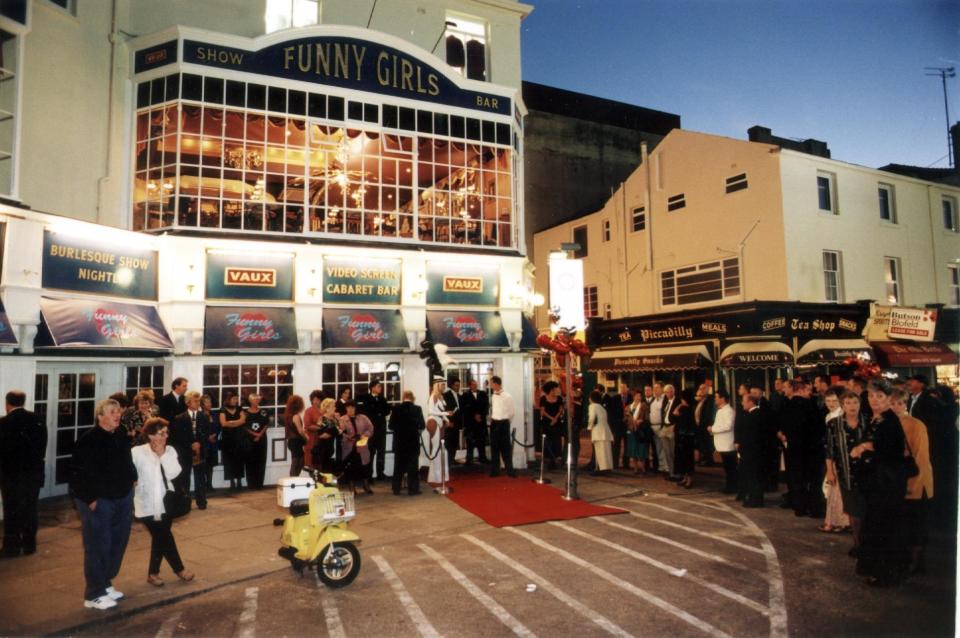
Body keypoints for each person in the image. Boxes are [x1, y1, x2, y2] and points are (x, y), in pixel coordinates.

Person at [69, 398, 137, 611]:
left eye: (118, 411)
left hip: (122, 497)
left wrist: (133, 477)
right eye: (111, 412)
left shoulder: (120, 434)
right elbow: (76, 474)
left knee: (118, 542)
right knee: (98, 546)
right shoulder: (89, 440)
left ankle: (105, 583)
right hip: (99, 501)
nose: (117, 415)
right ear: (100, 416)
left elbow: (127, 460)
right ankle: (93, 594)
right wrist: (90, 499)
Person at [854, 380, 907, 587]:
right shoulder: (877, 419)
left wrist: (865, 449)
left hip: (886, 485)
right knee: (877, 526)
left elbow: (889, 455)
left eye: (879, 397)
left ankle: (886, 574)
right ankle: (879, 571)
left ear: (888, 399)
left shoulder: (889, 421)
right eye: (871, 396)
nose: (874, 400)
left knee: (884, 528)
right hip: (877, 484)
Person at [131, 418, 194, 587]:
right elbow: (130, 472)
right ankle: (176, 570)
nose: (165, 436)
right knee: (163, 536)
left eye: (166, 433)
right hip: (145, 502)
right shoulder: (137, 452)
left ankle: (156, 573)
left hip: (167, 501)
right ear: (150, 435)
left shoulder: (170, 450)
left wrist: (162, 455)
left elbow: (174, 473)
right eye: (161, 433)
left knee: (161, 536)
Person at [890, 388, 934, 577]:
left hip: (915, 484)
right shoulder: (889, 423)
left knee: (916, 526)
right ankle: (908, 561)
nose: (896, 407)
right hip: (898, 483)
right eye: (892, 403)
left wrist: (913, 485)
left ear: (905, 404)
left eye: (899, 403)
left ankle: (916, 563)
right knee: (904, 526)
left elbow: (921, 458)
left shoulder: (916, 425)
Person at [0, 390, 47, 557]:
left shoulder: (3, 423)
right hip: (33, 472)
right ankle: (29, 545)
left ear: (7, 404)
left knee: (11, 509)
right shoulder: (38, 420)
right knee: (30, 508)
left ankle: (11, 547)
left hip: (11, 475)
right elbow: (42, 446)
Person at [825, 391, 872, 559]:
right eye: (848, 403)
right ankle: (858, 543)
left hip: (869, 474)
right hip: (846, 473)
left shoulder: (869, 420)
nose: (852, 406)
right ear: (842, 405)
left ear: (860, 404)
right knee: (854, 512)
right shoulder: (833, 424)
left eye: (855, 403)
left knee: (868, 511)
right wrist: (830, 471)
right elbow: (829, 450)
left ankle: (868, 545)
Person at [170, 391, 210, 510]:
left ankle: (201, 501)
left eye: (199, 401)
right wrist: (190, 444)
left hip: (200, 450)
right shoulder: (179, 418)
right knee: (185, 477)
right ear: (188, 403)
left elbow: (206, 432)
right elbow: (178, 436)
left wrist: (199, 443)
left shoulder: (204, 416)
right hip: (185, 451)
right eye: (195, 401)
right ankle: (185, 502)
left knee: (200, 477)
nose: (198, 403)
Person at [819, 388, 850, 533]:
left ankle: (841, 522)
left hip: (839, 459)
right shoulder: (829, 415)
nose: (830, 404)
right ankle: (834, 521)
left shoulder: (840, 416)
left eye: (834, 401)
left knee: (837, 491)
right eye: (828, 401)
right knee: (832, 490)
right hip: (831, 458)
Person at [389, 390, 425, 495]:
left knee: (398, 467)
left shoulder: (396, 409)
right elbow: (422, 425)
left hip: (399, 443)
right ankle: (413, 489)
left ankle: (396, 488)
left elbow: (390, 426)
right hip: (412, 443)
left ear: (403, 397)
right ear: (412, 398)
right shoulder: (417, 409)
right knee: (413, 467)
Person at [356, 379, 391, 481]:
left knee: (381, 452)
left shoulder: (382, 398)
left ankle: (380, 473)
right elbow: (366, 412)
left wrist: (379, 412)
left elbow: (387, 410)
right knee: (370, 453)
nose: (380, 388)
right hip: (370, 430)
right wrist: (378, 412)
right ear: (372, 388)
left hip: (381, 429)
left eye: (380, 386)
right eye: (378, 386)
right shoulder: (366, 398)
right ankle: (369, 475)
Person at [735, 393, 765, 508]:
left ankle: (755, 499)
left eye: (744, 401)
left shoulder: (754, 415)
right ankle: (754, 498)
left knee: (753, 476)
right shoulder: (755, 414)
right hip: (754, 452)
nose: (742, 403)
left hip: (752, 452)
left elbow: (750, 436)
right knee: (754, 476)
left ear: (751, 402)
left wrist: (742, 448)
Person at [339, 401, 374, 494]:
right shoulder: (342, 419)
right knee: (350, 467)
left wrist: (365, 435)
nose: (350, 409)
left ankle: (366, 486)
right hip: (349, 446)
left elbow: (370, 428)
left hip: (362, 445)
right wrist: (348, 437)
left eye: (352, 407)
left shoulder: (363, 417)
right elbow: (340, 433)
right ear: (345, 408)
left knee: (364, 466)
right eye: (348, 407)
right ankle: (352, 488)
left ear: (355, 408)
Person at [708, 390, 737, 494]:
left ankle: (732, 487)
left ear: (723, 398)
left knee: (730, 468)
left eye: (717, 397)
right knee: (727, 467)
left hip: (727, 444)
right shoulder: (720, 410)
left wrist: (713, 429)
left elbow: (728, 426)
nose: (715, 399)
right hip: (722, 444)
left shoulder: (729, 411)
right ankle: (730, 486)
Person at [489, 376, 517, 478]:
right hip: (494, 423)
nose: (490, 385)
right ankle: (495, 471)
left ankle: (510, 470)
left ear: (496, 384)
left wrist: (504, 421)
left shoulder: (507, 396)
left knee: (506, 448)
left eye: (491, 383)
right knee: (494, 448)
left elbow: (511, 412)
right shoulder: (493, 396)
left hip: (503, 424)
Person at [243, 393, 271, 490]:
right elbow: (244, 426)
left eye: (258, 400)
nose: (256, 402)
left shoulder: (263, 412)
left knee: (261, 460)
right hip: (249, 439)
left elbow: (266, 424)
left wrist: (260, 434)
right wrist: (255, 435)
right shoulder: (245, 413)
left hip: (262, 439)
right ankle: (251, 484)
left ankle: (259, 484)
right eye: (254, 400)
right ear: (250, 401)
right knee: (250, 461)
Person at [218, 392, 247, 488]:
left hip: (239, 437)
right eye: (234, 398)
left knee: (239, 459)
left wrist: (231, 422)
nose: (236, 400)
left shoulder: (239, 408)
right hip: (228, 438)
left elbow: (243, 420)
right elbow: (223, 423)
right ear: (229, 399)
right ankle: (231, 481)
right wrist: (236, 423)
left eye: (236, 398)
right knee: (229, 460)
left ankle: (239, 480)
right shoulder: (222, 409)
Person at [672, 388, 698, 488]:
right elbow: (674, 416)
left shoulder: (690, 409)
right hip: (681, 436)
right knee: (682, 459)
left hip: (687, 437)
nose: (681, 401)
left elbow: (688, 423)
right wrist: (679, 406)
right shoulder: (683, 408)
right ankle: (684, 478)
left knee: (688, 459)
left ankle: (689, 480)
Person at [460, 378, 489, 464]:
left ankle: (483, 458)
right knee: (470, 442)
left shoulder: (483, 394)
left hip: (481, 422)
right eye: (473, 385)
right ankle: (469, 459)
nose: (475, 386)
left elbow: (487, 406)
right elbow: (463, 409)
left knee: (482, 441)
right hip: (470, 423)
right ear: (469, 386)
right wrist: (474, 415)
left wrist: (480, 415)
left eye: (476, 384)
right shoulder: (465, 395)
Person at [587, 390, 614, 475]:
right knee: (607, 451)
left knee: (600, 452)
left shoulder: (592, 406)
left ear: (591, 399)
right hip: (606, 431)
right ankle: (608, 468)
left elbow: (592, 418)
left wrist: (589, 427)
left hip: (598, 432)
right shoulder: (602, 407)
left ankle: (600, 469)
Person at [310, 398, 341, 474]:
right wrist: (335, 432)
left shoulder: (334, 419)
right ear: (327, 408)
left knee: (333, 471)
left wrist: (339, 421)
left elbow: (341, 431)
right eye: (333, 406)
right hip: (324, 449)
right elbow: (322, 435)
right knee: (325, 472)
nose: (335, 408)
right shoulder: (322, 419)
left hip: (333, 448)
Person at [539, 381, 564, 470]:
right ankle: (549, 460)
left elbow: (560, 410)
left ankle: (556, 459)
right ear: (550, 389)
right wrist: (551, 419)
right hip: (547, 423)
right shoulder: (543, 398)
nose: (556, 390)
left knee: (557, 441)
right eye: (554, 389)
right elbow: (542, 411)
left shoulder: (559, 398)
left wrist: (555, 418)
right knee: (548, 441)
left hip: (556, 423)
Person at [626, 388, 650, 474]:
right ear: (633, 397)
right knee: (633, 449)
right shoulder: (628, 407)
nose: (638, 397)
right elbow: (625, 419)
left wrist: (641, 420)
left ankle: (643, 468)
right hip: (631, 430)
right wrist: (629, 422)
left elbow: (647, 418)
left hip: (640, 430)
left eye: (640, 396)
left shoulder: (644, 405)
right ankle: (635, 468)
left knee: (641, 448)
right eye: (636, 396)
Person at [603, 386, 626, 470]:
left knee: (627, 445)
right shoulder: (615, 398)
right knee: (616, 444)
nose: (623, 390)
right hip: (617, 425)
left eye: (625, 388)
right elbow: (611, 411)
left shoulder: (630, 397)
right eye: (622, 388)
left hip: (627, 425)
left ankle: (625, 463)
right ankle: (615, 462)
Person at [441, 378, 463, 468]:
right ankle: (448, 462)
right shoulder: (446, 395)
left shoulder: (459, 396)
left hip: (457, 423)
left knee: (454, 443)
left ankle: (452, 460)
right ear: (452, 385)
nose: (458, 387)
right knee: (449, 443)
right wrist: (448, 421)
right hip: (449, 424)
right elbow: (444, 410)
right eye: (456, 385)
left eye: (459, 385)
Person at [284, 395, 306, 477]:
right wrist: (306, 437)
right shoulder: (296, 416)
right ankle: (293, 479)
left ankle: (294, 478)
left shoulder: (288, 415)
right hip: (296, 441)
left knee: (297, 461)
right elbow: (300, 431)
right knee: (298, 461)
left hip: (291, 441)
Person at [659, 384, 679, 479]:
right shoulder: (665, 401)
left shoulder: (678, 401)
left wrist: (676, 426)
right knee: (666, 452)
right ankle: (671, 473)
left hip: (672, 427)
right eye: (665, 392)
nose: (666, 394)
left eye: (668, 392)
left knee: (673, 452)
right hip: (664, 428)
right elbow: (663, 413)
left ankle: (676, 473)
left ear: (672, 391)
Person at [694, 383, 716, 467]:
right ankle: (704, 459)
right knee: (701, 443)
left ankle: (709, 460)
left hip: (706, 425)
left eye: (702, 389)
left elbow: (709, 414)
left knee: (707, 443)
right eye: (699, 388)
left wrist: (707, 425)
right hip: (699, 426)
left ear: (707, 390)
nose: (700, 390)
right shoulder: (699, 401)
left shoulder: (709, 400)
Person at [200, 394, 219, 491]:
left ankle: (209, 484)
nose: (209, 404)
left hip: (213, 443)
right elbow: (200, 429)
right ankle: (203, 485)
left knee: (210, 465)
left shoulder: (214, 414)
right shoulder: (200, 415)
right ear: (202, 404)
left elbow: (218, 427)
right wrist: (208, 437)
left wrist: (215, 435)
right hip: (205, 443)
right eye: (206, 402)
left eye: (210, 402)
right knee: (203, 465)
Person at [303, 390, 325, 470]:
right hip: (312, 439)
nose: (315, 401)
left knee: (321, 461)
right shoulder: (309, 411)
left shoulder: (324, 410)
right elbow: (307, 425)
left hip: (322, 439)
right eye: (314, 399)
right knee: (311, 462)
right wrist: (321, 428)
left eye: (318, 400)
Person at [648, 382, 667, 474]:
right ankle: (660, 466)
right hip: (653, 427)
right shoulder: (653, 400)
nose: (655, 390)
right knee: (658, 448)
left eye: (657, 388)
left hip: (661, 426)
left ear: (662, 388)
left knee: (664, 447)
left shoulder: (665, 399)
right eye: (654, 388)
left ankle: (666, 467)